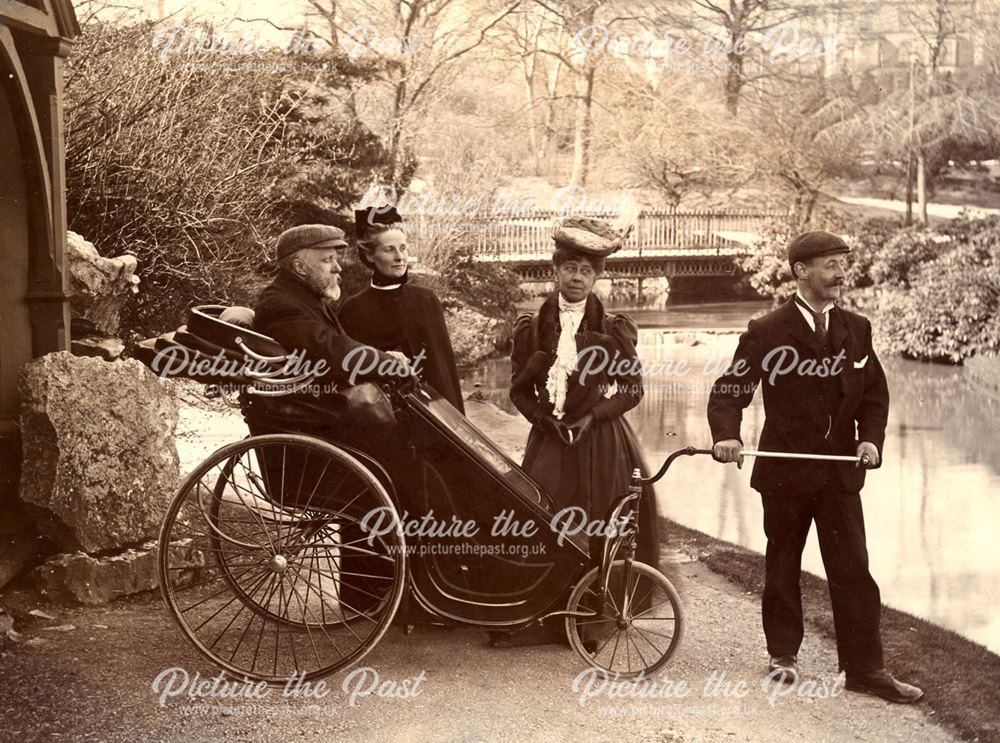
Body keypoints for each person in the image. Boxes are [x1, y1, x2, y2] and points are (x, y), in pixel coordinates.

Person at [707, 230, 923, 704]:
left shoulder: (857, 328)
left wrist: (869, 439)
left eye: (843, 263)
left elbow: (873, 396)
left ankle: (866, 669)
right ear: (802, 271)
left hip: (840, 473)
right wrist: (726, 435)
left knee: (854, 571)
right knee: (783, 563)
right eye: (830, 264)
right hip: (785, 471)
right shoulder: (766, 330)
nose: (841, 272)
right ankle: (783, 654)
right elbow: (730, 391)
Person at [509, 216, 660, 574]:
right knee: (545, 522)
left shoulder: (612, 329)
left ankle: (592, 614)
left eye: (587, 271)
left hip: (600, 443)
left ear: (596, 277)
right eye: (571, 268)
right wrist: (545, 420)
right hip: (549, 441)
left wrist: (592, 416)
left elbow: (632, 389)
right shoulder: (531, 329)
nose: (577, 277)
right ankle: (549, 615)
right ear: (556, 270)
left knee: (599, 525)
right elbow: (518, 392)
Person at [339, 206, 465, 413]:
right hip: (387, 419)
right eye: (390, 250)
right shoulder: (353, 309)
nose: (400, 257)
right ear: (370, 256)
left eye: (403, 248)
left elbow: (446, 372)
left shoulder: (426, 299)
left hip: (437, 417)